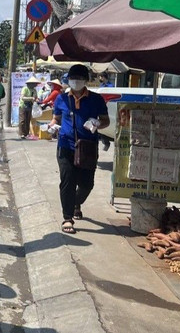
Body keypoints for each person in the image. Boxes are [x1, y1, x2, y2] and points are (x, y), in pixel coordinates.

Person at [48, 64, 110, 234]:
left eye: (79, 79)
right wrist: (52, 126)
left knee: (86, 184)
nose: (75, 82)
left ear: (86, 81)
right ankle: (67, 217)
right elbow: (56, 118)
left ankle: (76, 202)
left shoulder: (96, 100)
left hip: (88, 146)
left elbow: (106, 121)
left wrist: (97, 124)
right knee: (67, 180)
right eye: (72, 79)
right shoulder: (61, 99)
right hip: (65, 145)